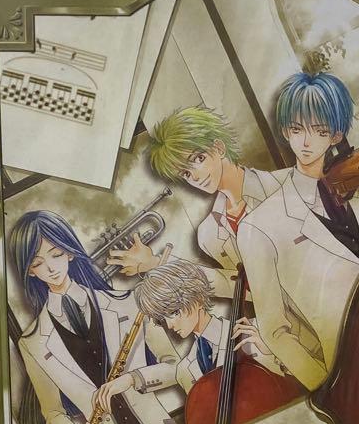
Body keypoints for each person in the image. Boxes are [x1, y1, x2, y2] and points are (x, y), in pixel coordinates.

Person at [234, 71, 359, 389]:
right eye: (297, 129)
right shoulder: (259, 226)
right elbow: (275, 330)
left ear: (336, 135)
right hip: (351, 376)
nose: (306, 141)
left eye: (319, 130)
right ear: (286, 131)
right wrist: (327, 389)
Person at [8, 210, 184, 424]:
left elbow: (176, 367)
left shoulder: (129, 301)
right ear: (30, 271)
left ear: (69, 252)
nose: (51, 268)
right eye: (38, 263)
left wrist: (133, 378)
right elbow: (53, 413)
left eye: (56, 254)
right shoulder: (31, 343)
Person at [107, 106, 281, 297]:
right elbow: (241, 288)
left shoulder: (284, 184)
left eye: (198, 158)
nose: (195, 177)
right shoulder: (209, 233)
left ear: (219, 148)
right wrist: (155, 264)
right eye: (186, 173)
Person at [99, 258, 285, 400]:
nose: (169, 325)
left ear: (196, 299)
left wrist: (272, 354)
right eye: (162, 319)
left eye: (174, 312)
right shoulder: (186, 370)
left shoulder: (254, 332)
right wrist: (131, 378)